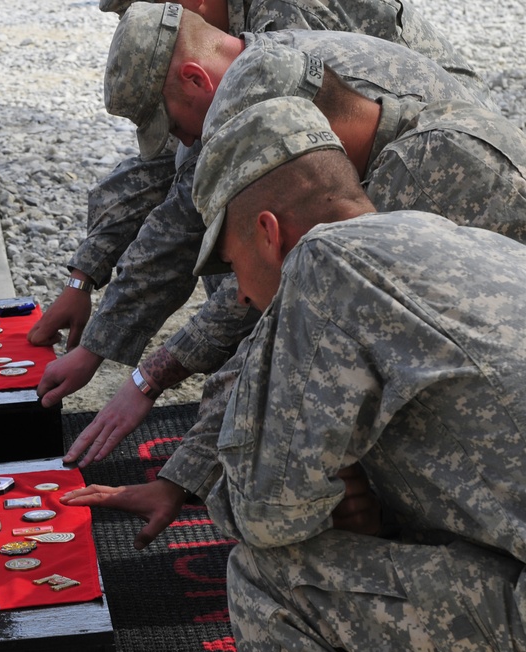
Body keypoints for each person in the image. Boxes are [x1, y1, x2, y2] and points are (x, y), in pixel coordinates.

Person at [59, 27, 526, 548]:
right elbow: (272, 315)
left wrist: (193, 473)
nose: (236, 288)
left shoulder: (425, 174)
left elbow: (282, 350)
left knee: (269, 569)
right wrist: (161, 406)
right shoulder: (375, 164)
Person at [166, 95, 526, 652]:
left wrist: (331, 497)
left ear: (268, 232)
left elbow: (266, 514)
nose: (238, 293)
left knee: (268, 576)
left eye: (233, 264)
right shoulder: (467, 241)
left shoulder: (325, 261)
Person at [28, 0, 491, 353]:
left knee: (301, 266)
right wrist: (83, 277)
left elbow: (274, 185)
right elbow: (172, 169)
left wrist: (161, 366)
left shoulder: (289, 19)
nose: (151, 17)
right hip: (381, 152)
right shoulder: (215, 55)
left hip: (440, 170)